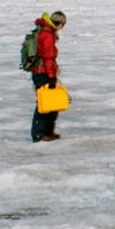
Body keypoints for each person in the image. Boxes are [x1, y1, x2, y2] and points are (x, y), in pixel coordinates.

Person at [31, 11, 67, 143]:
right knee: (44, 104)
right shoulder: (48, 34)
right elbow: (48, 58)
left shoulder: (45, 30)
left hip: (41, 71)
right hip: (42, 73)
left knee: (49, 103)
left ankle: (47, 132)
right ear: (60, 24)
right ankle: (39, 135)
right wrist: (51, 77)